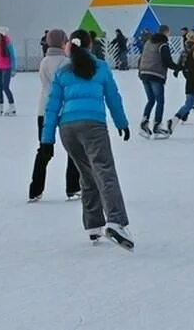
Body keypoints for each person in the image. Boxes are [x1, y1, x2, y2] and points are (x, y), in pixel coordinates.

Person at [40, 29, 132, 250]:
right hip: (92, 125)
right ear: (90, 45)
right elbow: (113, 97)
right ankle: (116, 221)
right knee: (104, 171)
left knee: (87, 174)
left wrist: (47, 139)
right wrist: (122, 123)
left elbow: (52, 105)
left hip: (68, 129)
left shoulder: (64, 70)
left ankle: (93, 226)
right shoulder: (100, 67)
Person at [29, 30, 81, 202]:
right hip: (65, 109)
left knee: (44, 150)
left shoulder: (44, 61)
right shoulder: (67, 62)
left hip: (44, 109)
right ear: (63, 43)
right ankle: (73, 187)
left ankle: (35, 189)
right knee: (73, 149)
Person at [138, 26, 176, 139]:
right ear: (166, 32)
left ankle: (144, 123)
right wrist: (180, 68)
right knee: (160, 101)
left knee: (150, 100)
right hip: (156, 74)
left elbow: (142, 57)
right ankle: (157, 124)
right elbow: (167, 61)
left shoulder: (149, 42)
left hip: (144, 72)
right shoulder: (163, 45)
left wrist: (140, 71)